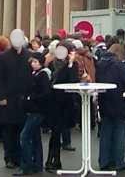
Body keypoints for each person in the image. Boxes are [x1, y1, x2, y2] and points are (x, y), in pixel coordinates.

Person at [0, 29, 33, 169]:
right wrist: (1, 97)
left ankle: (19, 157)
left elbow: (31, 77)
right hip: (8, 98)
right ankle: (9, 157)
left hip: (23, 99)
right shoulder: (4, 56)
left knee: (21, 129)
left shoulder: (28, 55)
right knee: (8, 129)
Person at [95, 43, 125, 172]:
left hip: (105, 101)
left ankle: (104, 161)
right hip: (119, 101)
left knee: (106, 132)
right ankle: (119, 162)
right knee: (119, 132)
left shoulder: (100, 64)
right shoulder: (120, 65)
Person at [16, 52, 51, 176]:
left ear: (41, 63)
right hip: (33, 110)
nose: (33, 64)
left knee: (24, 136)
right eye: (32, 62)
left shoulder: (42, 75)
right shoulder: (34, 74)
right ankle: (37, 164)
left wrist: (31, 98)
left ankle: (27, 165)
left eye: (36, 62)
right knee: (35, 138)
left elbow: (45, 93)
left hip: (37, 110)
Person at [46, 41, 77, 172]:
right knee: (55, 132)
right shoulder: (53, 64)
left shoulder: (72, 65)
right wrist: (68, 65)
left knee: (58, 132)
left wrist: (70, 64)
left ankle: (53, 160)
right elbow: (57, 80)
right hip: (54, 102)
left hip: (67, 102)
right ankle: (52, 160)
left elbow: (73, 81)